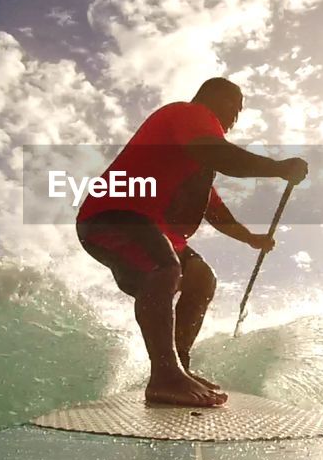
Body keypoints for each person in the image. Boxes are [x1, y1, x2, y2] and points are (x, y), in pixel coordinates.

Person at [76, 77, 308, 407]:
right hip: (112, 214)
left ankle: (178, 367)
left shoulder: (194, 159)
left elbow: (215, 210)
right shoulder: (190, 114)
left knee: (201, 279)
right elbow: (220, 154)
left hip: (153, 228)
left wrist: (251, 239)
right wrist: (277, 168)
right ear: (211, 97)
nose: (234, 118)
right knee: (164, 267)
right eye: (233, 107)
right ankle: (165, 376)